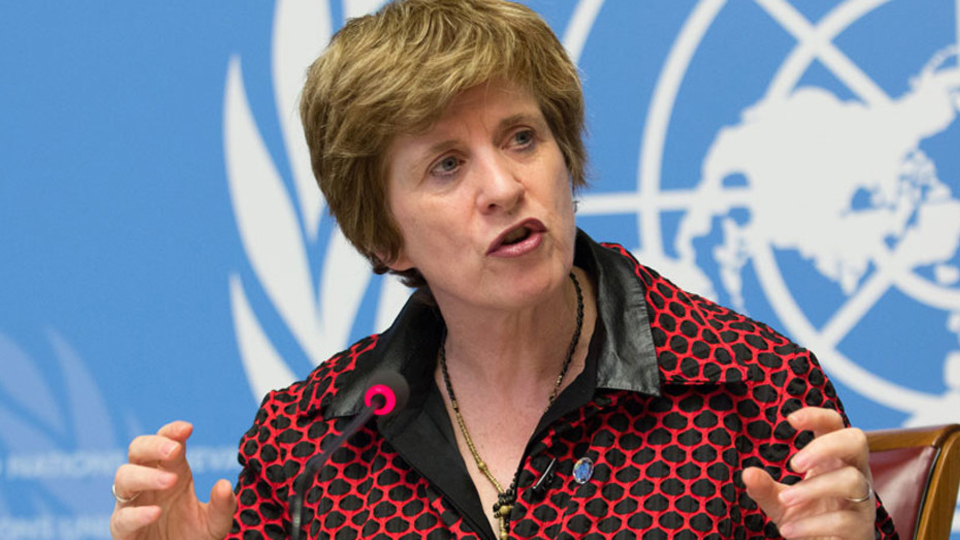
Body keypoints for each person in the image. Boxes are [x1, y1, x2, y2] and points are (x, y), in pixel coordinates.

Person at [109, 1, 899, 539]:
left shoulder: (749, 389)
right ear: (386, 239)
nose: (503, 187)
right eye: (447, 165)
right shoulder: (311, 443)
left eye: (522, 137)